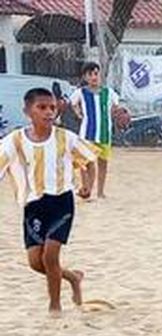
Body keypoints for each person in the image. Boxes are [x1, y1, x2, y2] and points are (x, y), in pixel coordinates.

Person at [2, 88, 97, 314]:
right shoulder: (15, 140)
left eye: (52, 107)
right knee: (36, 262)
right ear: (28, 111)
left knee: (50, 254)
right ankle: (72, 277)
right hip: (33, 205)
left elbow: (90, 159)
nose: (48, 112)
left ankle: (55, 307)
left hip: (61, 202)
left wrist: (87, 187)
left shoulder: (65, 137)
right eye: (42, 107)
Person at [68, 62, 122, 199]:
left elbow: (115, 107)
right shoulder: (81, 92)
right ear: (85, 77)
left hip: (104, 132)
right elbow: (73, 103)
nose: (94, 77)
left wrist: (116, 113)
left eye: (96, 73)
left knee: (103, 162)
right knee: (85, 163)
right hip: (87, 133)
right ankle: (87, 189)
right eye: (90, 74)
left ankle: (100, 191)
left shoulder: (108, 92)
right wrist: (78, 113)